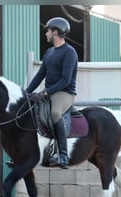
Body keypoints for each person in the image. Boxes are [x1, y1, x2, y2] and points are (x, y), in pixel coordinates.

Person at [26, 17, 78, 169]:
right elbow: (39, 76)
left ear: (55, 32)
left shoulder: (70, 52)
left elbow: (65, 80)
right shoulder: (48, 52)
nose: (46, 34)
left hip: (64, 93)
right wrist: (26, 93)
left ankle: (63, 155)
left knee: (55, 113)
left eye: (48, 30)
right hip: (49, 92)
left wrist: (45, 92)